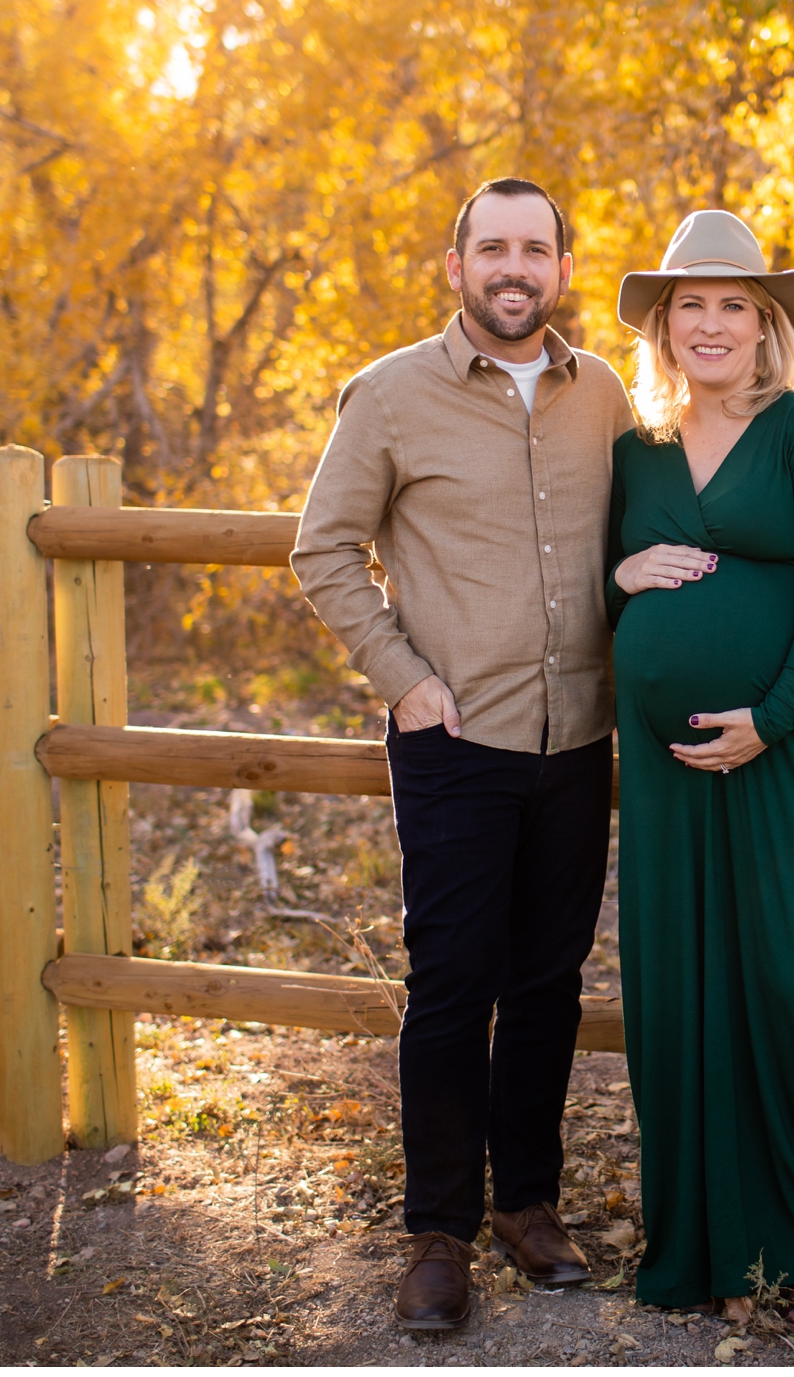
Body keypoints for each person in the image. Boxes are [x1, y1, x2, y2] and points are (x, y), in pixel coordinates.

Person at [291, 178, 635, 1332]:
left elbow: (632, 540)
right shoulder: (389, 396)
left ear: (564, 271)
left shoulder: (605, 398)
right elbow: (323, 548)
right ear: (458, 265)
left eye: (535, 249)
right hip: (455, 739)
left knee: (546, 984)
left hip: (578, 738)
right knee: (451, 988)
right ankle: (437, 1229)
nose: (514, 268)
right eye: (493, 247)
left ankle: (526, 1203)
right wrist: (406, 680)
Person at [605, 209, 794, 1325]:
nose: (711, 324)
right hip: (667, 765)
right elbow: (589, 583)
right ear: (664, 330)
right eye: (691, 307)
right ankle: (715, 1248)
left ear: (766, 330)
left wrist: (768, 714)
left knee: (789, 976)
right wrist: (623, 573)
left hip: (787, 746)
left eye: (734, 306)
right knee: (679, 982)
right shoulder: (635, 451)